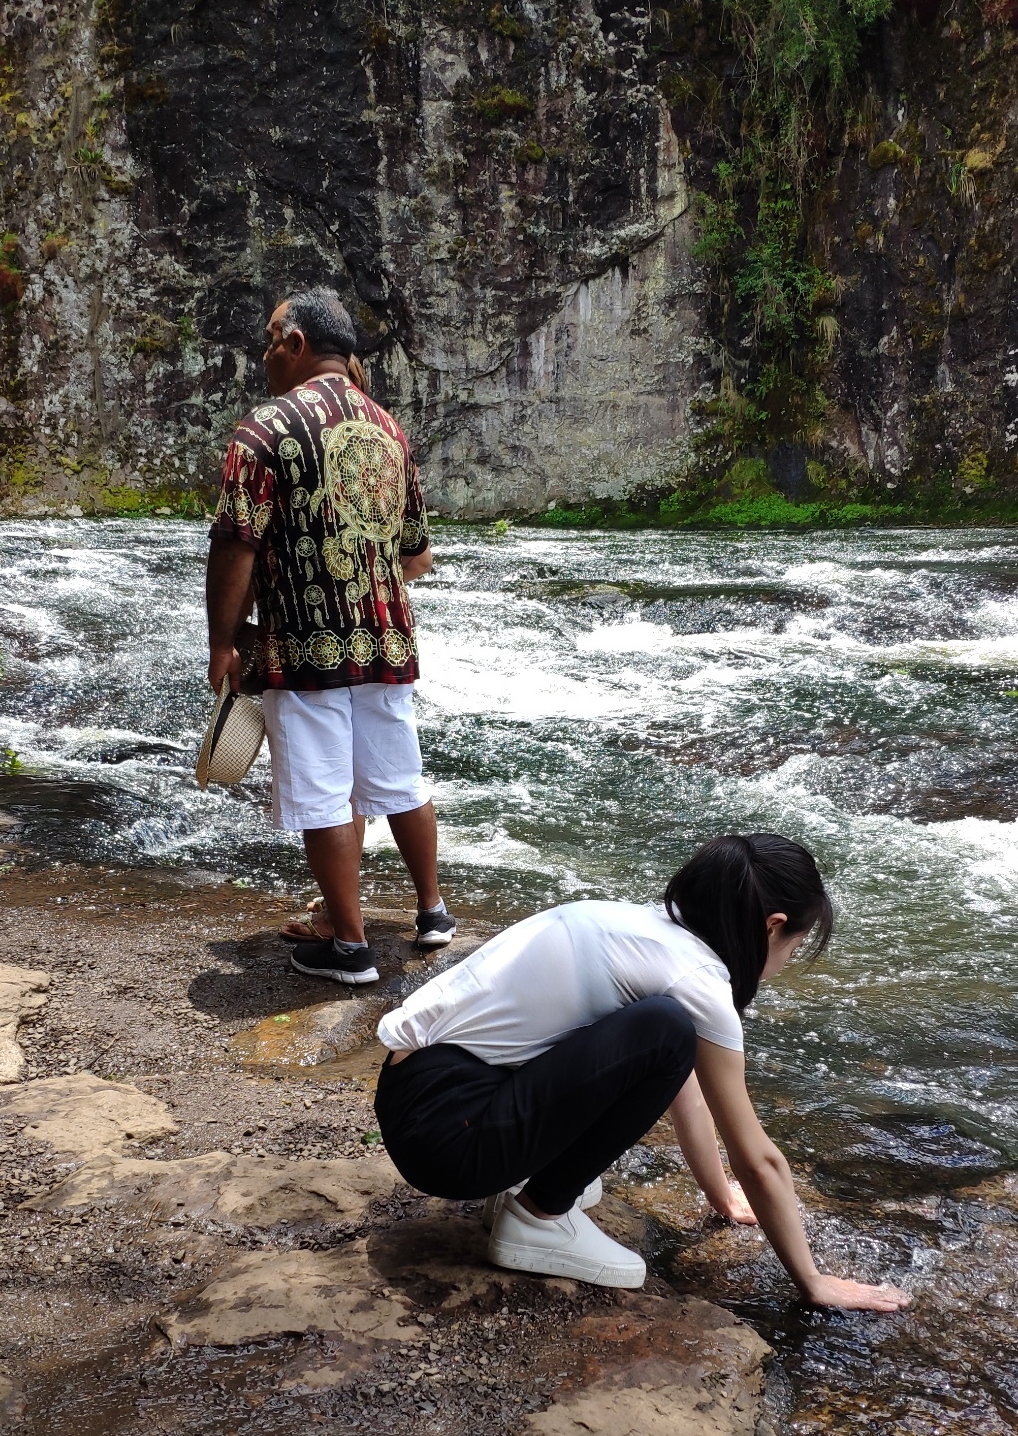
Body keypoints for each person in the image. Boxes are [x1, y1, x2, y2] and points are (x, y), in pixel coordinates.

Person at [374, 831, 911, 1309]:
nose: (788, 959)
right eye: (794, 945)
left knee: (662, 1032)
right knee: (664, 1027)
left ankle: (525, 1186)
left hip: (416, 1095)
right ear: (773, 928)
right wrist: (812, 1281)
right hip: (449, 1142)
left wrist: (719, 1194)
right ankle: (538, 1217)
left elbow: (685, 1087)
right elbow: (757, 1156)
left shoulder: (631, 926)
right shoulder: (695, 979)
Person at [205, 287, 455, 985]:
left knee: (322, 793)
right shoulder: (389, 430)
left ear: (296, 344)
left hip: (307, 643)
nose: (263, 354)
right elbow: (416, 556)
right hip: (387, 642)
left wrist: (223, 642)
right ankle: (432, 913)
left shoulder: (266, 430)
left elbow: (236, 543)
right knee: (400, 778)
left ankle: (348, 947)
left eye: (269, 339)